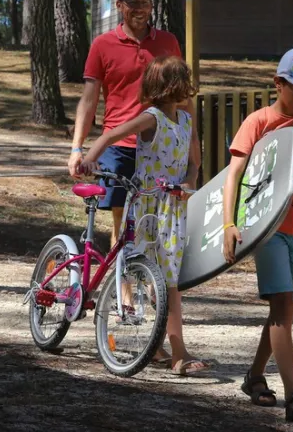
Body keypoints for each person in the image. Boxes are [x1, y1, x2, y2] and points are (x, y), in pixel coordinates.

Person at [223, 47, 293, 422]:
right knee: (283, 302)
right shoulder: (258, 122)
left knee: (283, 310)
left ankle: (255, 376)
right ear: (278, 84)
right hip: (265, 227)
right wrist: (228, 224)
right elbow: (234, 175)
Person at [79, 56, 208, 376]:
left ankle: (164, 347)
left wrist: (190, 181)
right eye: (183, 81)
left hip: (173, 208)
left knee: (169, 280)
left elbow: (194, 160)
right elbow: (110, 136)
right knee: (154, 277)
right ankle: (176, 351)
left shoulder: (185, 120)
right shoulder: (151, 118)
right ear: (174, 86)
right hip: (147, 207)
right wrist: (88, 159)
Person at [68, 0, 189, 248]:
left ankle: (149, 274)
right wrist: (77, 149)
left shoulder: (168, 42)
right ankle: (123, 277)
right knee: (123, 221)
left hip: (160, 144)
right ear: (119, 5)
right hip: (120, 145)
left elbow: (182, 93)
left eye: (146, 2)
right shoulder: (102, 44)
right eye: (133, 2)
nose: (140, 8)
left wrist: (191, 146)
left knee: (159, 219)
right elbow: (88, 100)